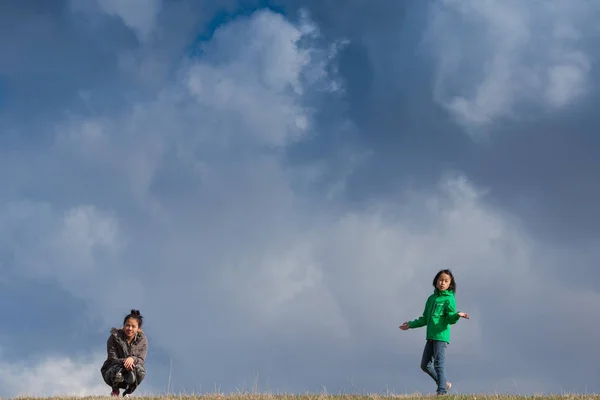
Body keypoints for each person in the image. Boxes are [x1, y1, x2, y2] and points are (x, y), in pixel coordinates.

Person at [399, 269, 469, 396]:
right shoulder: (431, 299)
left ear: (450, 284)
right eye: (440, 280)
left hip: (441, 336)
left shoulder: (449, 299)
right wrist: (410, 325)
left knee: (438, 364)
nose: (442, 283)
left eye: (446, 281)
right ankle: (444, 384)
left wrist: (458, 315)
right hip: (430, 336)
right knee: (425, 365)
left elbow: (450, 318)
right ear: (436, 281)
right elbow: (425, 319)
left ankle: (441, 392)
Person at [101, 309, 148, 397]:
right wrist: (126, 362)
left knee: (140, 371)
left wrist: (132, 359)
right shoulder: (114, 337)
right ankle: (115, 391)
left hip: (132, 368)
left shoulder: (143, 340)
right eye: (127, 325)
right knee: (116, 371)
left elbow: (141, 359)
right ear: (124, 325)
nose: (130, 328)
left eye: (133, 326)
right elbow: (112, 358)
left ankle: (128, 392)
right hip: (113, 368)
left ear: (138, 328)